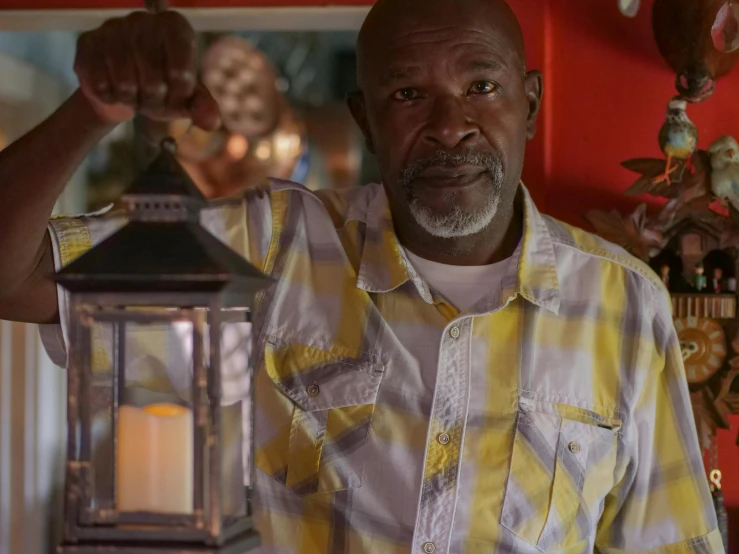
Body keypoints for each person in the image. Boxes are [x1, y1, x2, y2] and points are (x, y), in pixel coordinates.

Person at [0, 1, 723, 553]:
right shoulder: (272, 247)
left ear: (527, 105)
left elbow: (668, 539)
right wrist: (93, 108)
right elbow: (17, 275)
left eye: (480, 85)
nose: (449, 125)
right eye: (407, 94)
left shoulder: (623, 303)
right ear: (366, 120)